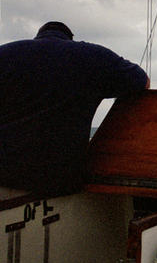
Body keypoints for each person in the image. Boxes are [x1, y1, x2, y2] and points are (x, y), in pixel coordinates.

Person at [0, 21, 149, 196]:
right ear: (70, 38)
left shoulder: (6, 53)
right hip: (58, 178)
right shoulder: (94, 56)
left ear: (38, 36)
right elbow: (143, 82)